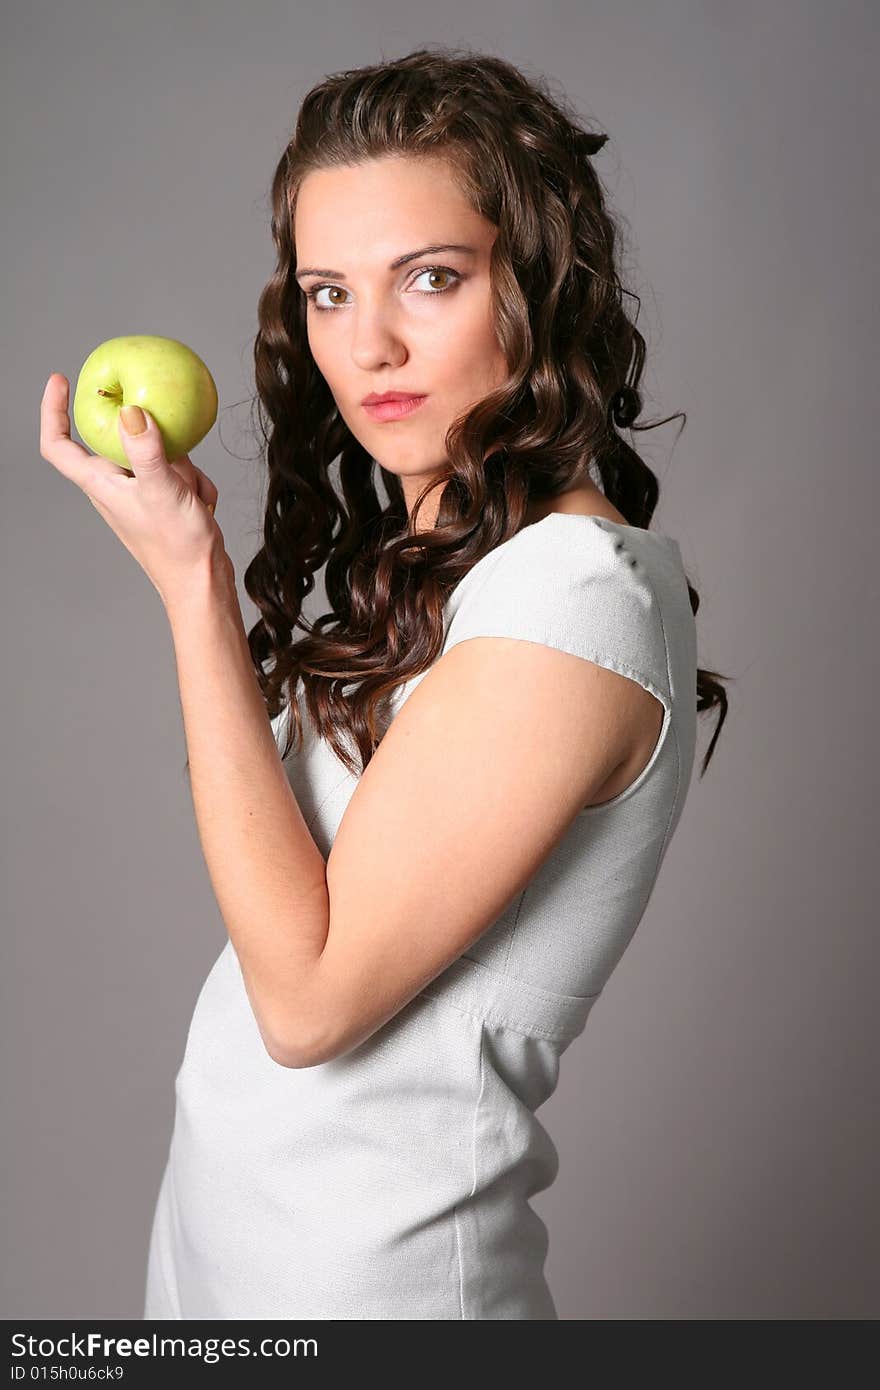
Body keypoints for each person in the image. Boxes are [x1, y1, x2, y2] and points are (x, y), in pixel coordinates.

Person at [142, 47, 730, 1320]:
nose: (374, 345)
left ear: (537, 286)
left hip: (377, 1291)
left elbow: (305, 1001)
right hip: (239, 1264)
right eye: (328, 293)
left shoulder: (571, 592)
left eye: (432, 277)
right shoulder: (449, 583)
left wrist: (191, 582)